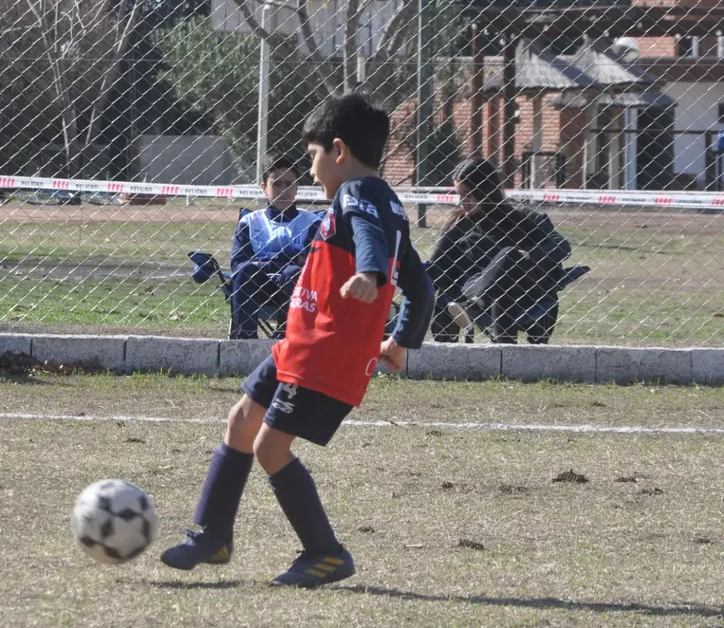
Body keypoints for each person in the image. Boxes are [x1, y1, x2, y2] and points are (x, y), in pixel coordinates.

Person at [160, 93, 434, 588]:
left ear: (339, 150)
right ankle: (213, 535)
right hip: (299, 344)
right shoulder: (390, 206)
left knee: (269, 447)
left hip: (326, 353)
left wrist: (370, 273)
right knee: (242, 420)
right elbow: (422, 287)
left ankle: (325, 553)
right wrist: (400, 340)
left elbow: (368, 238)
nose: (310, 170)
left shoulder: (356, 195)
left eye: (312, 156)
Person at [426, 158, 572, 344]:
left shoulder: (522, 218)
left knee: (509, 256)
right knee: (490, 288)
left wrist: (527, 255)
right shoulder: (458, 225)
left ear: (486, 191)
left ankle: (476, 309)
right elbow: (437, 267)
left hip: (519, 293)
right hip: (472, 286)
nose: (462, 201)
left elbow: (562, 246)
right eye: (459, 194)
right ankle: (476, 306)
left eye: (467, 194)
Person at [228, 156, 321, 339]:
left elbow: (313, 265)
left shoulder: (312, 223)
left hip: (295, 288)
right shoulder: (250, 222)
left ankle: (286, 339)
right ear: (264, 187)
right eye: (276, 184)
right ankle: (245, 341)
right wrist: (286, 259)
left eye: (289, 184)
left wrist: (262, 261)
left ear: (297, 187)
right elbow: (238, 264)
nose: (283, 190)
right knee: (246, 272)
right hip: (258, 287)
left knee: (294, 272)